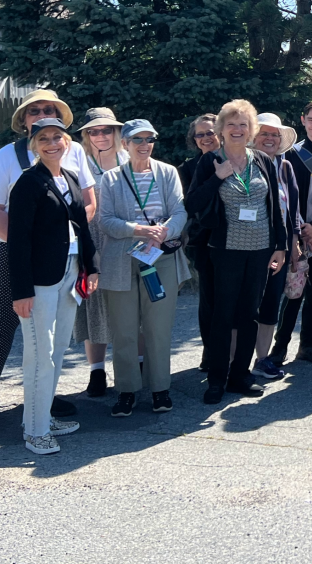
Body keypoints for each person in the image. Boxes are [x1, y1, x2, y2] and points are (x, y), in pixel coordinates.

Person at [0, 90, 95, 434]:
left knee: (51, 328)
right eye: (34, 111)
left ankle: (42, 401)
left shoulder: (74, 151)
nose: (40, 115)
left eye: (49, 110)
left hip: (63, 253)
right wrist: (31, 245)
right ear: (24, 121)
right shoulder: (9, 155)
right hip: (7, 248)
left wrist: (67, 240)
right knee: (2, 319)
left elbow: (89, 203)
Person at [184, 99, 288, 405]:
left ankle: (241, 375)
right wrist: (218, 177)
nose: (238, 129)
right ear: (221, 129)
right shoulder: (210, 161)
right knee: (222, 315)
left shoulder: (263, 161)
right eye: (231, 124)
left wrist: (280, 246)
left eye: (244, 124)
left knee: (249, 315)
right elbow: (192, 204)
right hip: (225, 250)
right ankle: (217, 378)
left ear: (251, 129)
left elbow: (275, 209)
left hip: (260, 250)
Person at [6, 119, 97, 454]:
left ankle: (40, 417)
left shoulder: (69, 178)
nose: (51, 143)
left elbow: (81, 226)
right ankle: (35, 431)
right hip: (38, 283)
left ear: (67, 142)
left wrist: (92, 266)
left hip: (70, 274)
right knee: (40, 356)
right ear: (34, 145)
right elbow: (17, 242)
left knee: (57, 352)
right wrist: (21, 291)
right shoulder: (28, 184)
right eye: (43, 138)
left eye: (57, 137)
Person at [97, 119, 191, 416]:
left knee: (158, 328)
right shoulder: (110, 179)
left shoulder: (168, 173)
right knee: (124, 330)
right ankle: (126, 391)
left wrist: (165, 231)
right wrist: (138, 230)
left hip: (160, 258)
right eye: (137, 139)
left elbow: (179, 210)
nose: (144, 145)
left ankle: (160, 389)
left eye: (149, 139)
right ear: (124, 144)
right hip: (121, 261)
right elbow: (105, 220)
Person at [270, 101, 312, 365]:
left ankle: (308, 343)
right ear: (303, 120)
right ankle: (279, 347)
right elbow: (286, 198)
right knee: (293, 290)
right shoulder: (291, 155)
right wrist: (299, 230)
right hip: (296, 234)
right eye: (311, 119)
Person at [75, 107, 126, 398]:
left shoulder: (130, 159)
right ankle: (97, 370)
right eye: (93, 131)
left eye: (106, 129)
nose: (100, 135)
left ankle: (137, 365)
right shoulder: (77, 163)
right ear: (86, 135)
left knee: (130, 303)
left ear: (116, 132)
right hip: (92, 238)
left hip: (124, 238)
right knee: (93, 304)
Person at [248, 113, 302, 383]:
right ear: (253, 137)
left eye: (274, 135)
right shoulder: (240, 164)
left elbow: (292, 209)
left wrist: (294, 244)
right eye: (264, 133)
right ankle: (236, 363)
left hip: (279, 248)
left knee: (271, 305)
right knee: (243, 306)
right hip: (247, 247)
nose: (269, 138)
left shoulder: (285, 167)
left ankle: (261, 359)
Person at [180, 114, 220, 365]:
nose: (206, 138)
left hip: (236, 239)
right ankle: (210, 350)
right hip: (203, 241)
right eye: (200, 134)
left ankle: (231, 351)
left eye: (210, 132)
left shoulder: (234, 158)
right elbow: (189, 205)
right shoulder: (187, 168)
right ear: (194, 140)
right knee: (209, 298)